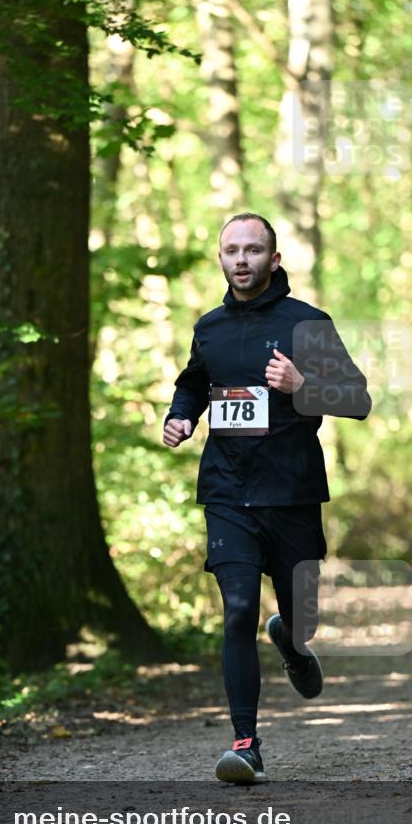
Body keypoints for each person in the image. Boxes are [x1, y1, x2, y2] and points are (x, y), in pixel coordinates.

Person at [162, 212, 372, 784]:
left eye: (254, 250)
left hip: (293, 492)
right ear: (221, 258)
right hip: (228, 491)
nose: (242, 260)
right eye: (232, 250)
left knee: (300, 616)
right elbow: (193, 382)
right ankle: (246, 744)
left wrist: (306, 388)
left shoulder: (308, 324)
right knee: (236, 612)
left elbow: (357, 399)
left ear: (273, 260)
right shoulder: (209, 327)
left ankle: (294, 643)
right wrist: (181, 417)